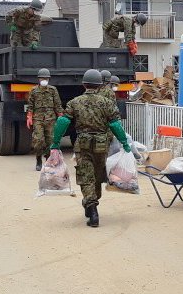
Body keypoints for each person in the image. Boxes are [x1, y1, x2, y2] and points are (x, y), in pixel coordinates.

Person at [51, 69, 134, 227]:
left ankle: (92, 208)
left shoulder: (75, 102)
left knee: (85, 176)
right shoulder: (107, 102)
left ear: (83, 84)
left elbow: (63, 122)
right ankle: (93, 202)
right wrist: (124, 142)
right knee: (97, 175)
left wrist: (55, 142)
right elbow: (115, 124)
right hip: (102, 144)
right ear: (100, 84)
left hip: (83, 144)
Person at [27, 68, 63, 171]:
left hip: (51, 119)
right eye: (42, 78)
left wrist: (60, 116)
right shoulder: (34, 90)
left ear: (48, 79)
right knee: (38, 140)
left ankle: (48, 160)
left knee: (50, 141)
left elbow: (58, 104)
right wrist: (29, 116)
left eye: (46, 78)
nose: (44, 80)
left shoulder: (53, 90)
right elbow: (30, 105)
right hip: (38, 119)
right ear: (39, 79)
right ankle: (38, 159)